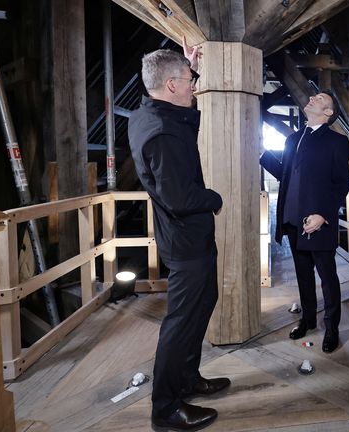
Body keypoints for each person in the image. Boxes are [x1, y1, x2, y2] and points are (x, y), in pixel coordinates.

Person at [128, 43, 230, 431]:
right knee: (181, 320)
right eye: (189, 80)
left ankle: (187, 380)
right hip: (186, 238)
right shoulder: (163, 133)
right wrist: (215, 198)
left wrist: (189, 64)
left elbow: (185, 123)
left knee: (204, 303)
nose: (194, 86)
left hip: (187, 237)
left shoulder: (148, 114)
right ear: (171, 85)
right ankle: (166, 406)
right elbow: (181, 197)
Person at [260, 92, 349, 353]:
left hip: (317, 220)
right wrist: (262, 154)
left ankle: (332, 327)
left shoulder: (337, 141)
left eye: (320, 98)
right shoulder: (293, 138)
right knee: (303, 276)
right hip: (291, 219)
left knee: (328, 278)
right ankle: (308, 320)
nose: (312, 97)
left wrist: (324, 214)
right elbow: (284, 173)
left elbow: (340, 184)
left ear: (328, 112)